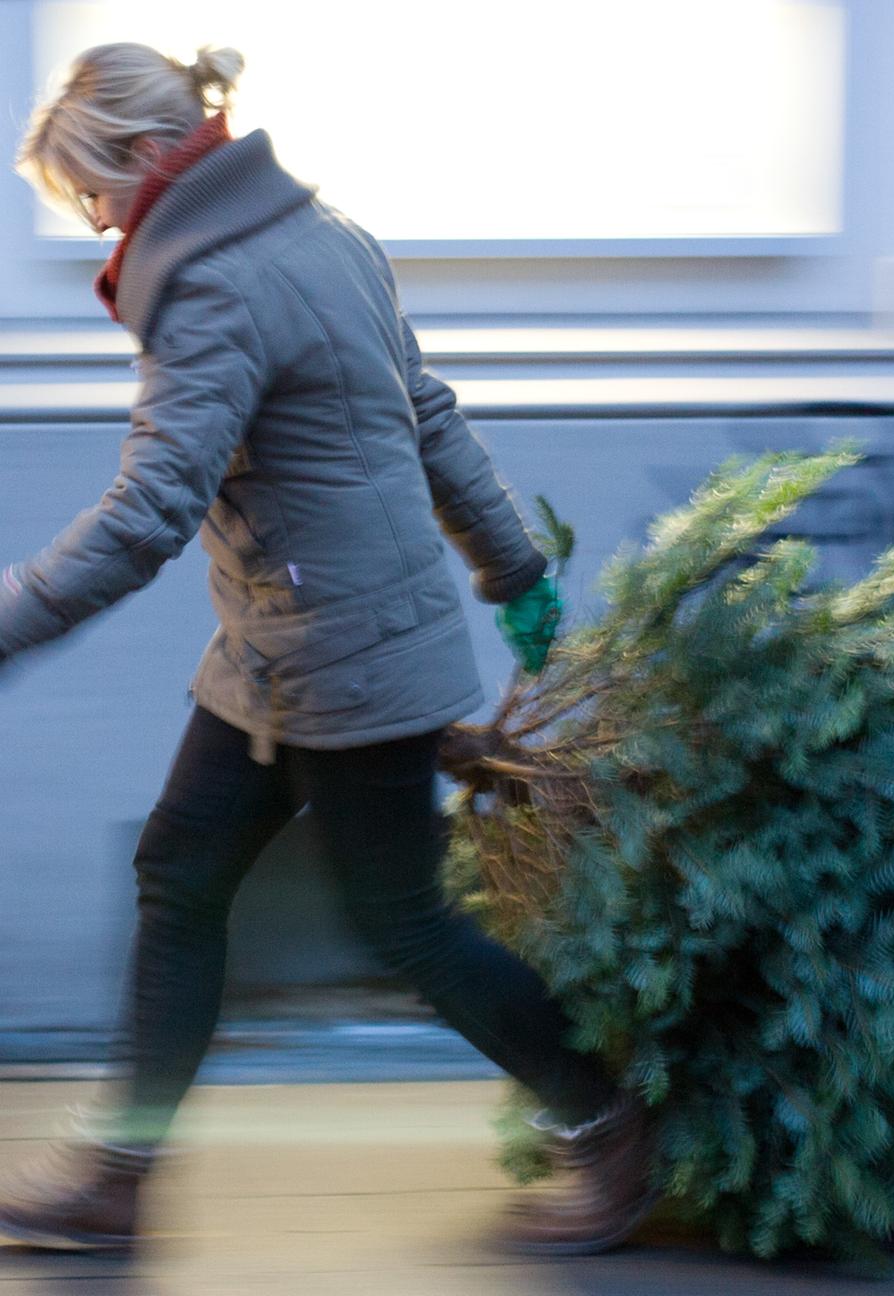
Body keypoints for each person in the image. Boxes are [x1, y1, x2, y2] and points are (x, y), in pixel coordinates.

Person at [0, 42, 657, 1256]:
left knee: (402, 921)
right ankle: (118, 1177)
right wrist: (509, 570)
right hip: (280, 647)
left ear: (148, 161)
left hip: (343, 659)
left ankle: (612, 1130)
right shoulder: (327, 232)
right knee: (182, 871)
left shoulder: (210, 289)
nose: (96, 225)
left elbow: (148, 513)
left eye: (92, 197)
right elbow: (430, 416)